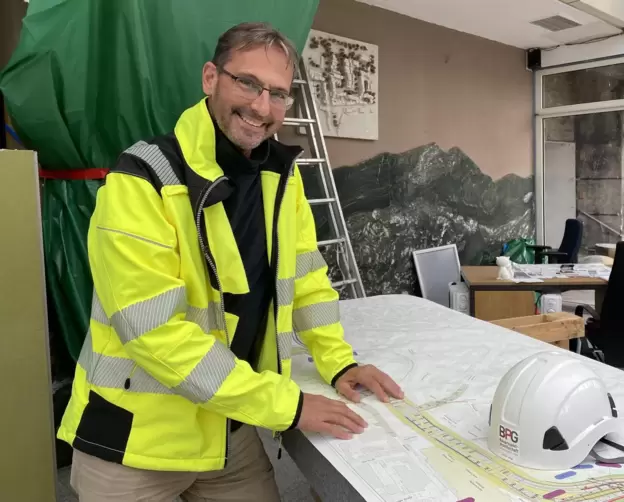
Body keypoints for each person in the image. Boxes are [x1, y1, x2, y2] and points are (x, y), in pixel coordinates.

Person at [57, 21, 403, 502]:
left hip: (224, 429)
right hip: (134, 442)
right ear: (210, 78)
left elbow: (307, 281)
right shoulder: (142, 179)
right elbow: (155, 332)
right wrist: (286, 405)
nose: (263, 107)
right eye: (248, 83)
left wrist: (340, 362)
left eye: (279, 94)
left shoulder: (282, 178)